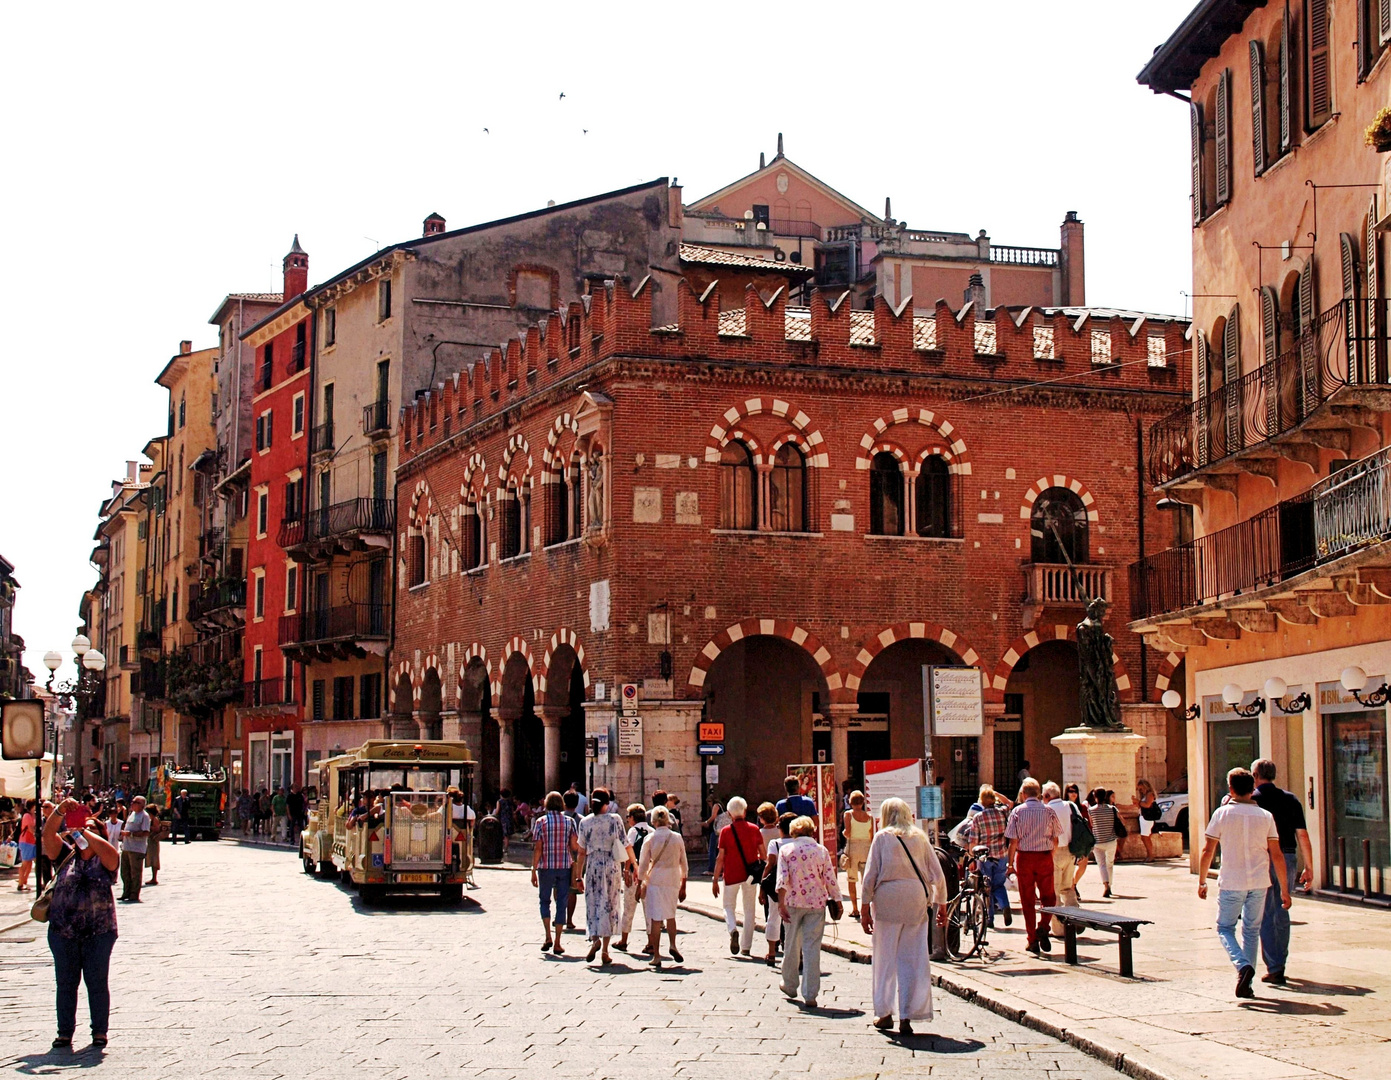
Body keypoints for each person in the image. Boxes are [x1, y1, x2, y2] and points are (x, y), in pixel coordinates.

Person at [1198, 767, 1290, 998]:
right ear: (1253, 789)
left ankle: (1242, 966)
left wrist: (1202, 880)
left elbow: (1208, 849)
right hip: (1260, 881)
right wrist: (1285, 890)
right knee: (1252, 930)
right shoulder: (1266, 816)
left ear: (1231, 789)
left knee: (1225, 927)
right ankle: (1247, 982)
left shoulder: (1222, 814)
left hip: (1232, 880)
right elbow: (1276, 854)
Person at [861, 796, 948, 1036]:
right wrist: (942, 904)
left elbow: (870, 876)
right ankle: (908, 1014)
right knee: (913, 958)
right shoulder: (920, 838)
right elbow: (937, 874)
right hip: (915, 899)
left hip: (887, 899)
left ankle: (885, 1012)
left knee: (885, 958)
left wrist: (864, 907)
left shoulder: (882, 838)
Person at [42, 797, 120, 1050]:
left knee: (97, 983)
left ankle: (99, 1031)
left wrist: (86, 830)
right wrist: (60, 811)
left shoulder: (106, 858)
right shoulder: (66, 855)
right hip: (63, 931)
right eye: (81, 828)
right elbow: (47, 835)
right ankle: (64, 1032)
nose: (83, 831)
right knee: (65, 983)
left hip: (99, 932)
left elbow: (110, 852)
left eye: (92, 828)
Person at [1251, 759, 1313, 986]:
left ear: (1255, 775)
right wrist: (1309, 866)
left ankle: (1274, 967)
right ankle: (1280, 962)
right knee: (1282, 908)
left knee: (1266, 911)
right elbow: (1302, 835)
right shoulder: (1290, 799)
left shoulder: (1252, 800)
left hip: (1263, 857)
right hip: (1287, 856)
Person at [776, 815, 839, 1008]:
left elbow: (782, 879)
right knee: (812, 947)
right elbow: (829, 876)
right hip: (816, 903)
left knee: (791, 943)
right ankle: (810, 993)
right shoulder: (821, 850)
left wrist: (780, 903)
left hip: (793, 902)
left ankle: (789, 984)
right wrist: (837, 899)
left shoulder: (786, 850)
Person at [574, 788, 633, 966]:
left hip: (593, 864)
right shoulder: (615, 820)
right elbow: (626, 843)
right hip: (611, 864)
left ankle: (594, 939)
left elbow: (581, 852)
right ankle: (605, 951)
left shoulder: (585, 822)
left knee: (593, 903)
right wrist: (634, 866)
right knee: (610, 904)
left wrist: (578, 876)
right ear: (607, 803)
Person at [1005, 778, 1059, 955]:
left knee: (1027, 899)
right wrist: (1050, 855)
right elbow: (1056, 838)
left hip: (1025, 857)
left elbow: (1013, 841)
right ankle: (1043, 925)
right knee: (1049, 896)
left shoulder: (1017, 812)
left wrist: (1010, 863)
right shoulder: (1049, 811)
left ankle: (1031, 939)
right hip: (1044, 856)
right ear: (1039, 794)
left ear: (1023, 794)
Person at [636, 805, 688, 968]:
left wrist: (639, 883)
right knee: (670, 915)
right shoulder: (677, 837)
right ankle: (673, 944)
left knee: (655, 919)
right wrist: (683, 885)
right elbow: (684, 863)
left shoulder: (650, 839)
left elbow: (643, 864)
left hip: (655, 879)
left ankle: (657, 955)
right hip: (673, 878)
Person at [712, 795, 762, 956]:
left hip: (732, 873)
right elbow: (764, 854)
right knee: (749, 910)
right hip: (750, 874)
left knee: (728, 906)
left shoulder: (725, 832)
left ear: (729, 813)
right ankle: (746, 946)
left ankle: (732, 928)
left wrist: (715, 879)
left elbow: (720, 857)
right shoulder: (754, 829)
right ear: (745, 811)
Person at [530, 791, 579, 955]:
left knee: (544, 900)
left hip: (545, 866)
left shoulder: (541, 822)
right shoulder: (569, 821)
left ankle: (547, 936)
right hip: (564, 866)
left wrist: (533, 868)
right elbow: (574, 847)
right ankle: (558, 941)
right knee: (561, 902)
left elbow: (538, 848)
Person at [963, 787, 1011, 927]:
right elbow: (1010, 803)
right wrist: (996, 794)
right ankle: (1004, 905)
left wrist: (972, 857)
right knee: (998, 884)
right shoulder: (1002, 813)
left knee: (986, 888)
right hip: (1002, 855)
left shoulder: (978, 817)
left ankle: (989, 919)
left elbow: (973, 841)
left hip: (985, 857)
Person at [1043, 782, 1078, 937]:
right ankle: (1076, 921)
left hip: (1054, 852)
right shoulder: (1070, 806)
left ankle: (1059, 929)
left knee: (1054, 892)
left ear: (1047, 796)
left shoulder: (1046, 810)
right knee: (1067, 888)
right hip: (1071, 851)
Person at [617, 804, 653, 952]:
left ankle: (624, 940)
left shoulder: (633, 831)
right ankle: (651, 943)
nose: (627, 820)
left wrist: (626, 870)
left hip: (634, 873)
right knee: (649, 909)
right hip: (649, 875)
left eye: (628, 817)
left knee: (629, 907)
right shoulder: (652, 831)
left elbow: (628, 848)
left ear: (632, 818)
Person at [841, 791, 875, 920]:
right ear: (862, 802)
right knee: (866, 879)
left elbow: (848, 832)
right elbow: (871, 836)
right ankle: (867, 906)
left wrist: (844, 833)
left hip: (853, 847)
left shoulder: (848, 814)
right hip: (866, 848)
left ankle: (855, 909)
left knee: (851, 879)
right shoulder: (869, 817)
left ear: (850, 802)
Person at [1085, 788, 1121, 898]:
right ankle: (1109, 884)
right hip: (1111, 840)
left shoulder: (1091, 810)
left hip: (1098, 841)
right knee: (1110, 863)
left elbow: (1091, 824)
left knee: (1101, 865)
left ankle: (1106, 885)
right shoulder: (1112, 809)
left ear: (1095, 797)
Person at [117, 796, 151, 903]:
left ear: (142, 805)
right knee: (125, 871)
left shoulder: (144, 816)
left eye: (135, 802)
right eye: (132, 801)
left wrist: (131, 834)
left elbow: (146, 832)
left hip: (137, 849)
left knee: (135, 872)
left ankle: (134, 894)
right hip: (126, 846)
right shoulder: (132, 814)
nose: (132, 803)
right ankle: (126, 891)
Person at [561, 791, 584, 933]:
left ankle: (560, 915)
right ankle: (569, 919)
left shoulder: (560, 818)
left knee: (558, 887)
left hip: (561, 856)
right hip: (575, 858)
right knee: (572, 890)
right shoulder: (581, 820)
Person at [1064, 784, 1091, 894]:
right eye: (1070, 791)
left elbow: (1087, 824)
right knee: (1069, 866)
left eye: (1075, 791)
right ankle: (1070, 887)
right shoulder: (1064, 806)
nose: (1073, 793)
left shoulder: (1082, 808)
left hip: (1080, 840)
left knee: (1083, 864)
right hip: (1068, 839)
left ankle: (1074, 884)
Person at [1134, 779, 1158, 861]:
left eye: (1141, 789)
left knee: (1145, 837)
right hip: (1143, 817)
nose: (1140, 791)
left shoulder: (1150, 794)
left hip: (1147, 818)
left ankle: (1150, 855)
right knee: (1144, 837)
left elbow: (1147, 805)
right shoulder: (1144, 795)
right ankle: (1149, 855)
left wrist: (1139, 802)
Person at [16, 799, 37, 893]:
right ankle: (20, 883)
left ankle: (24, 881)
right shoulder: (27, 816)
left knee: (29, 863)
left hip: (31, 842)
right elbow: (31, 829)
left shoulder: (33, 816)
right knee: (25, 863)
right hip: (26, 841)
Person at [145, 807, 164, 886]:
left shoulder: (155, 819)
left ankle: (154, 878)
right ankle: (153, 878)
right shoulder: (151, 818)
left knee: (154, 858)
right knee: (151, 858)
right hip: (149, 840)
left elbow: (157, 829)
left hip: (153, 840)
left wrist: (147, 827)